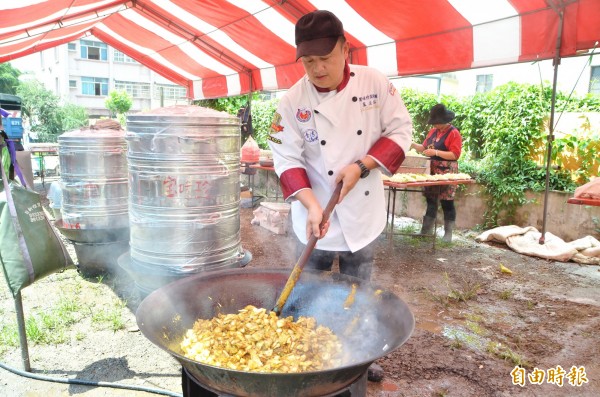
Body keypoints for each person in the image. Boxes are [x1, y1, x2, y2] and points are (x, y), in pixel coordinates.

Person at [267, 10, 413, 382]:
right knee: (308, 288)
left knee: (357, 286)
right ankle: (300, 347)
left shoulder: (374, 83)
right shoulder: (291, 101)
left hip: (361, 211)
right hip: (314, 212)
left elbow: (400, 132)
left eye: (325, 58)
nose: (317, 69)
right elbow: (285, 158)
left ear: (346, 48)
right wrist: (313, 206)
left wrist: (362, 165)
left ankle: (357, 353)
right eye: (309, 61)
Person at [410, 103, 463, 242]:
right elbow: (423, 147)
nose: (435, 126)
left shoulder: (454, 133)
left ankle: (448, 235)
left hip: (447, 171)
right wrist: (412, 144)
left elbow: (455, 155)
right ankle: (425, 231)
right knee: (431, 200)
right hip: (431, 170)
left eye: (437, 123)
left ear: (445, 121)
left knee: (447, 202)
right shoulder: (433, 132)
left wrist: (436, 152)